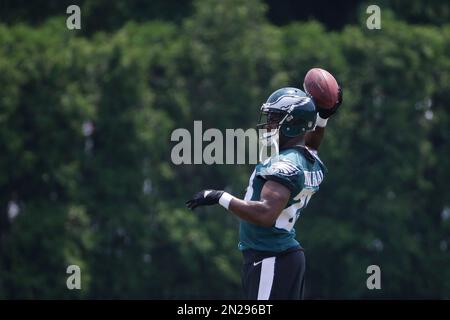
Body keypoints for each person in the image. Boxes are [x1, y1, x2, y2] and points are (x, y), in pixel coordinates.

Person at [186, 84, 343, 300]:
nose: (269, 124)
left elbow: (266, 214)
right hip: (281, 256)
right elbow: (312, 143)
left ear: (292, 124)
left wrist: (219, 196)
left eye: (275, 118)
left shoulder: (285, 164)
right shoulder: (307, 158)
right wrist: (323, 117)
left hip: (271, 257)